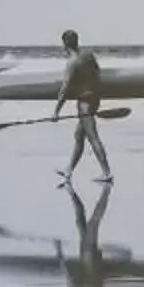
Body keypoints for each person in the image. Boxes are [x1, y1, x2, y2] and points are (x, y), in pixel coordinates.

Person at [49, 28, 112, 185]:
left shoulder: (72, 63)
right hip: (94, 98)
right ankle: (69, 170)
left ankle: (107, 173)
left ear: (64, 45)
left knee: (92, 137)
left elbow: (64, 89)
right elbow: (98, 73)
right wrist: (97, 94)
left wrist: (56, 111)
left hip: (85, 103)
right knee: (79, 136)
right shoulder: (88, 55)